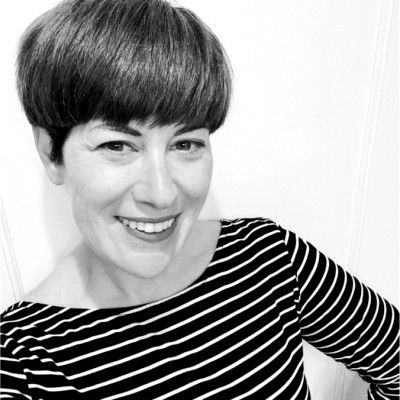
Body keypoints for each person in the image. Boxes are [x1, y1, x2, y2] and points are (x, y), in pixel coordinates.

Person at [0, 0, 398, 398]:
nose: (162, 194)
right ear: (51, 152)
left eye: (186, 143)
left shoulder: (269, 258)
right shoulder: (21, 363)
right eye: (117, 145)